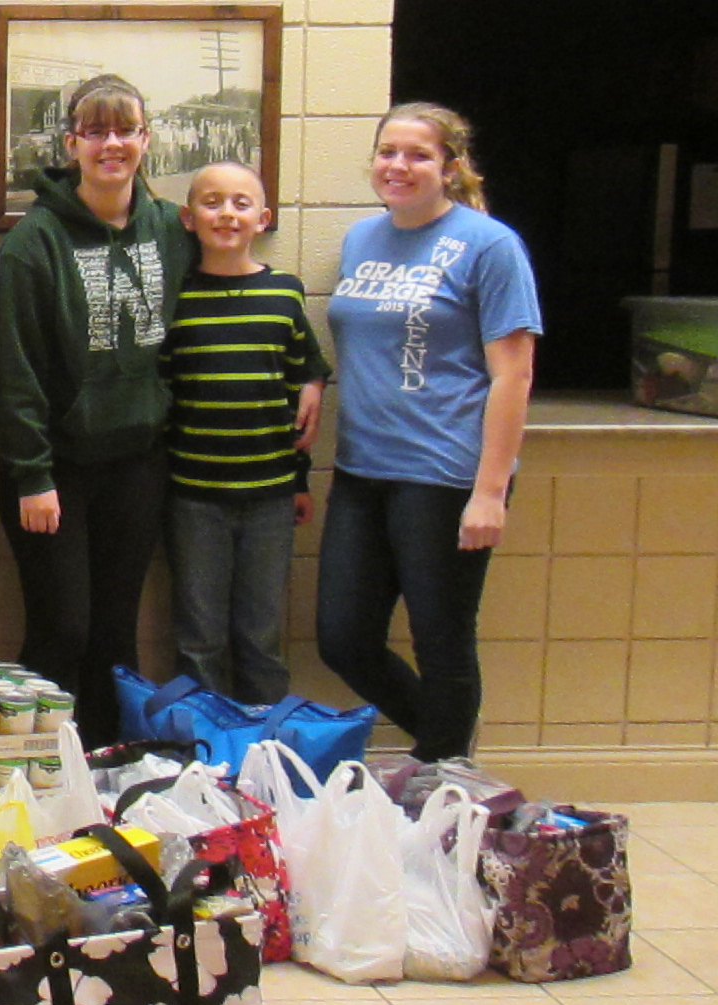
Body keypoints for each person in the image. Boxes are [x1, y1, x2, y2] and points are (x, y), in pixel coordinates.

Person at [319, 103, 540, 761]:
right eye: (389, 152)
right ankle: (447, 754)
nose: (400, 166)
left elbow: (514, 375)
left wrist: (490, 491)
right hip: (363, 470)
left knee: (442, 638)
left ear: (450, 166)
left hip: (444, 476)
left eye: (418, 154)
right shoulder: (362, 239)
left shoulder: (489, 244)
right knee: (343, 637)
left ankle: (441, 776)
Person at [0, 74, 192, 746]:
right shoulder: (34, 242)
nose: (112, 144)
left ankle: (108, 774)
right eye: (96, 132)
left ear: (145, 140)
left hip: (136, 464)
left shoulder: (169, 228)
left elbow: (228, 300)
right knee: (62, 630)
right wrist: (32, 473)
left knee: (115, 632)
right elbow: (16, 367)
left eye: (125, 130)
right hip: (55, 472)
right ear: (72, 143)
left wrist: (309, 372)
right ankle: (24, 774)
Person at [160, 161, 329, 703]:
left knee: (261, 636)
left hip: (271, 497)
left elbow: (306, 374)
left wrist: (299, 478)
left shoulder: (285, 292)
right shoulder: (175, 299)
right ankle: (204, 758)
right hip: (194, 497)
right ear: (188, 217)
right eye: (212, 202)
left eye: (240, 203)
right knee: (199, 637)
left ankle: (264, 757)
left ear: (263, 218)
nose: (226, 214)